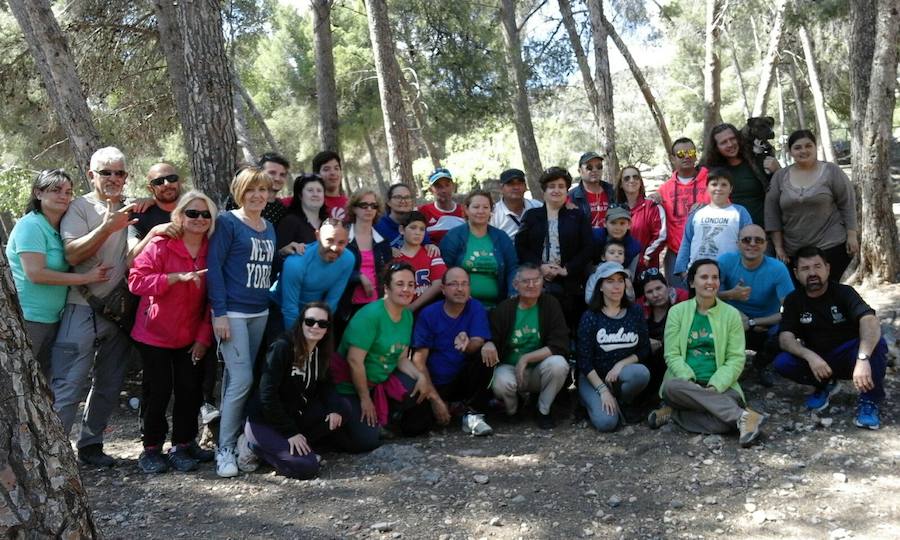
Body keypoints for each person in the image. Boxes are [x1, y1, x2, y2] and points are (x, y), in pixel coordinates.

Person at [49, 147, 138, 467]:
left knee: (110, 383)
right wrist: (107, 227)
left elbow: (132, 250)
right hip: (81, 306)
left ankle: (91, 445)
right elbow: (72, 254)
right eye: (106, 172)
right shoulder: (78, 208)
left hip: (119, 311)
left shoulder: (131, 208)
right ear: (91, 175)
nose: (114, 179)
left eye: (119, 173)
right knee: (68, 384)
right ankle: (53, 457)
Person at [128, 191, 217, 473]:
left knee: (190, 390)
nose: (199, 219)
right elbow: (136, 281)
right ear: (179, 215)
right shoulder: (160, 244)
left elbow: (214, 299)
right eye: (192, 213)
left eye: (205, 214)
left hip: (191, 335)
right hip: (154, 334)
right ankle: (151, 448)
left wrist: (204, 337)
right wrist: (172, 279)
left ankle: (183, 444)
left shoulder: (213, 248)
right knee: (158, 392)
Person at [647, 259, 765, 447]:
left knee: (722, 424)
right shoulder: (677, 312)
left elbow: (735, 358)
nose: (710, 282)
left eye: (715, 277)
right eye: (704, 277)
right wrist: (689, 379)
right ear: (692, 282)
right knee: (671, 387)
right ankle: (742, 417)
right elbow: (672, 354)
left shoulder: (731, 314)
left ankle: (674, 413)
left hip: (722, 386)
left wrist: (715, 387)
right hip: (684, 384)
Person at [206, 166, 276, 478]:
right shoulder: (227, 222)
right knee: (242, 378)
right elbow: (215, 268)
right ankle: (224, 450)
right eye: (251, 190)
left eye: (263, 190)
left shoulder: (269, 226)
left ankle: (233, 440)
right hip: (231, 312)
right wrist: (219, 313)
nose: (258, 196)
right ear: (240, 193)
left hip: (259, 311)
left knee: (239, 381)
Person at [6, 169, 110, 376]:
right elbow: (35, 273)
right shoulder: (31, 225)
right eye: (56, 190)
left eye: (68, 192)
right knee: (19, 381)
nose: (64, 196)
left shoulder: (59, 228)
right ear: (38, 193)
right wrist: (85, 278)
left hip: (53, 319)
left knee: (42, 384)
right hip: (28, 320)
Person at [773, 246, 887, 429]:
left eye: (817, 266)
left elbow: (870, 320)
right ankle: (825, 385)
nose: (812, 273)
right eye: (805, 268)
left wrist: (863, 358)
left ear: (827, 268)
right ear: (796, 273)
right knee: (782, 362)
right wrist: (809, 356)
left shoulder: (844, 292)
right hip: (819, 359)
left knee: (877, 344)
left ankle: (869, 401)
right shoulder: (793, 300)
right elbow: (785, 337)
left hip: (850, 355)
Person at [330, 262, 434, 452]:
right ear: (387, 288)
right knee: (367, 443)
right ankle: (338, 427)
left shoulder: (407, 316)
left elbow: (402, 358)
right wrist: (364, 399)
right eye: (400, 284)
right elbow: (354, 361)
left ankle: (382, 419)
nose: (406, 289)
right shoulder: (370, 315)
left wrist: (421, 376)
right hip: (351, 387)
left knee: (415, 385)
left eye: (411, 285)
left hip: (379, 381)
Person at [242, 302, 349, 479]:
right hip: (264, 421)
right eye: (310, 321)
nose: (315, 327)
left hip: (294, 416)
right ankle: (252, 446)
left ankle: (289, 447)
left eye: (322, 324)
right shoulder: (282, 347)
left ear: (327, 329)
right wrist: (290, 432)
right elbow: (267, 395)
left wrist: (333, 408)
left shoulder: (320, 352)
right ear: (301, 323)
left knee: (342, 409)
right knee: (307, 468)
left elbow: (326, 384)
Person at [409, 267, 495, 435]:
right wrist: (435, 400)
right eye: (454, 284)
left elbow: (478, 341)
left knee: (485, 353)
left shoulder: (475, 307)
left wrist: (469, 343)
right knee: (413, 428)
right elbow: (418, 360)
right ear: (443, 289)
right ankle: (446, 407)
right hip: (434, 382)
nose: (460, 289)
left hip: (462, 380)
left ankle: (473, 414)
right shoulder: (429, 314)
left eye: (464, 284)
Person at [765, 129, 858, 282]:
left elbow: (847, 203)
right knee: (802, 296)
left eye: (808, 146)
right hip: (794, 250)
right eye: (798, 147)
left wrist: (852, 235)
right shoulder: (780, 177)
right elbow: (771, 213)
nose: (804, 150)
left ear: (815, 147)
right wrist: (779, 247)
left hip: (831, 246)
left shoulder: (831, 171)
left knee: (828, 292)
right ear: (790, 151)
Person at [487, 263, 570, 429]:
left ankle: (543, 410)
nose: (531, 285)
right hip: (510, 368)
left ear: (542, 282)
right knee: (500, 383)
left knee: (559, 364)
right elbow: (493, 340)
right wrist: (487, 343)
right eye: (526, 281)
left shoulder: (550, 304)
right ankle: (513, 410)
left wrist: (526, 358)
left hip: (539, 368)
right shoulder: (504, 309)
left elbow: (559, 344)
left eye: (536, 280)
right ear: (515, 285)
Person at [577, 262, 651, 431]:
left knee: (641, 373)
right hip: (593, 377)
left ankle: (624, 401)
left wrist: (620, 364)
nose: (616, 286)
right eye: (610, 281)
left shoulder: (635, 312)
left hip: (619, 376)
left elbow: (644, 349)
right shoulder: (590, 317)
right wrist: (602, 390)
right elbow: (584, 361)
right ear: (600, 286)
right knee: (607, 423)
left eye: (620, 280)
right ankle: (589, 400)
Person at [516, 167, 593, 331]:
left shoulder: (578, 216)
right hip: (537, 279)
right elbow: (521, 246)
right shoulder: (531, 216)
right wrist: (539, 267)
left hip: (570, 280)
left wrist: (567, 269)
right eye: (551, 186)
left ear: (567, 190)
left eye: (561, 186)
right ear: (544, 191)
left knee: (568, 325)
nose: (556, 190)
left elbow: (588, 247)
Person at [717, 225, 794, 387]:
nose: (752, 244)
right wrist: (731, 294)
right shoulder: (725, 261)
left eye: (758, 240)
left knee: (786, 330)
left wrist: (754, 322)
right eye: (746, 240)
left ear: (766, 245)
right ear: (738, 243)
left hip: (765, 324)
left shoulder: (777, 269)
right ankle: (721, 363)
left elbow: (790, 311)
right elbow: (705, 296)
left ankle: (761, 364)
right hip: (732, 318)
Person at [272, 218, 354, 333]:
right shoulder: (296, 262)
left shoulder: (348, 259)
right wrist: (295, 342)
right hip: (281, 310)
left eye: (341, 242)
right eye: (329, 240)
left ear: (348, 241)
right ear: (318, 236)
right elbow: (289, 308)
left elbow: (331, 302)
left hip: (314, 314)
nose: (335, 248)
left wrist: (318, 330)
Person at [441, 190, 518, 309]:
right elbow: (444, 268)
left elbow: (512, 268)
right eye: (476, 207)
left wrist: (513, 294)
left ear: (491, 211)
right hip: (461, 306)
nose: (481, 211)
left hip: (498, 307)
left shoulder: (501, 237)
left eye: (486, 207)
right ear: (466, 209)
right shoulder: (454, 236)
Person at [674, 168, 752, 275]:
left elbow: (748, 242)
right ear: (707, 188)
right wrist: (681, 269)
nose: (718, 188)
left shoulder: (740, 212)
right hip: (698, 273)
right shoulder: (696, 212)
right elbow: (687, 241)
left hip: (730, 272)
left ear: (731, 189)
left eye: (724, 185)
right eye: (714, 184)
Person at [656, 137, 710, 289]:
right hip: (676, 254)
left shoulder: (711, 182)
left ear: (695, 155)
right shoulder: (664, 189)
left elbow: (726, 210)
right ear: (673, 159)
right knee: (679, 303)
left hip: (707, 253)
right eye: (680, 154)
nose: (686, 156)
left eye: (690, 152)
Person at [703, 123, 780, 227]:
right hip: (730, 232)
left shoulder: (758, 162)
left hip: (762, 231)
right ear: (716, 147)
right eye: (724, 142)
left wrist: (778, 170)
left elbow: (782, 190)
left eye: (732, 139)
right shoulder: (712, 172)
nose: (730, 144)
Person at [338, 189, 392, 331]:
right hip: (347, 307)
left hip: (376, 305)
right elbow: (333, 269)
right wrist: (358, 276)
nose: (369, 209)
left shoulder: (382, 241)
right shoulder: (341, 238)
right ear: (354, 208)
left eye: (373, 206)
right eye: (364, 205)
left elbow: (388, 274)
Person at [635, 268, 689, 402]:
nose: (656, 294)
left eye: (659, 288)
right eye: (649, 291)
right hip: (648, 360)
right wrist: (645, 341)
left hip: (679, 356)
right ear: (645, 295)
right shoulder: (640, 308)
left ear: (667, 286)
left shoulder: (683, 300)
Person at [614, 166, 665, 273]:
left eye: (635, 177)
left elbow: (661, 235)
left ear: (640, 182)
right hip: (620, 268)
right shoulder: (616, 209)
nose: (631, 180)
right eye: (627, 178)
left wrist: (645, 257)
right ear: (621, 185)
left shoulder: (652, 206)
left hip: (646, 269)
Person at [127, 162, 182, 262]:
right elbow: (130, 261)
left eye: (172, 178)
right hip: (162, 276)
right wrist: (154, 232)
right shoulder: (140, 215)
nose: (167, 184)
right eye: (159, 181)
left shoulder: (195, 211)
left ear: (179, 182)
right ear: (150, 189)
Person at [394, 210, 446, 313]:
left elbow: (439, 283)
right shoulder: (395, 257)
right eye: (413, 227)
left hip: (429, 311)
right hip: (399, 312)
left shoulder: (431, 253)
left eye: (422, 229)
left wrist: (413, 307)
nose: (418, 232)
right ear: (402, 230)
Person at [224, 153, 289, 226]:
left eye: (282, 175)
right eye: (272, 173)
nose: (277, 178)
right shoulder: (239, 200)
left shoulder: (282, 210)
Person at [276, 174, 328, 256]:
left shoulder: (329, 224)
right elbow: (276, 257)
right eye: (310, 190)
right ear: (300, 195)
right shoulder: (290, 222)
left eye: (319, 191)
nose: (315, 194)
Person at [568, 151, 615, 233]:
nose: (595, 170)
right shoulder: (572, 196)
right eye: (589, 167)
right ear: (580, 171)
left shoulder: (612, 191)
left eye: (599, 167)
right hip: (585, 243)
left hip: (610, 242)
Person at [490, 168, 542, 239]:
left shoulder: (537, 206)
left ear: (525, 186)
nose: (516, 187)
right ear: (501, 188)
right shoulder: (493, 214)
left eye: (520, 183)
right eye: (510, 184)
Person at [419, 168, 466, 244]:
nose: (444, 190)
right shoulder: (423, 211)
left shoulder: (465, 211)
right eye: (438, 186)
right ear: (431, 190)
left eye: (447, 185)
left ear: (453, 186)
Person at [312, 151, 349, 220]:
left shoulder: (351, 205)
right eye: (326, 169)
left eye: (336, 168)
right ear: (317, 175)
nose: (333, 173)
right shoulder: (309, 204)